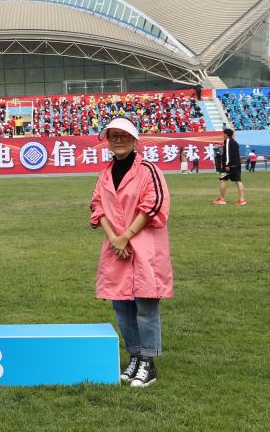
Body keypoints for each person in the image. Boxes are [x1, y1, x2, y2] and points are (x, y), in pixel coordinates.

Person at [89, 117, 173, 388]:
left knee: (145, 305)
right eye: (113, 136)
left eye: (124, 135)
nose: (118, 140)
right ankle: (135, 356)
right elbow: (97, 206)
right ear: (107, 141)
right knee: (122, 306)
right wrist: (115, 239)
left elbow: (154, 204)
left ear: (135, 140)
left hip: (144, 246)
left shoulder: (148, 170)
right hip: (117, 249)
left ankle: (148, 361)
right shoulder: (105, 173)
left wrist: (125, 237)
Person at [214, 127, 246, 206]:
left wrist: (227, 164)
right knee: (238, 181)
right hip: (237, 164)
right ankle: (242, 200)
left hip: (229, 166)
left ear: (226, 134)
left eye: (224, 134)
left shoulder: (228, 141)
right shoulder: (235, 142)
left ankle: (222, 199)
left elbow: (227, 154)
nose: (223, 135)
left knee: (222, 179)